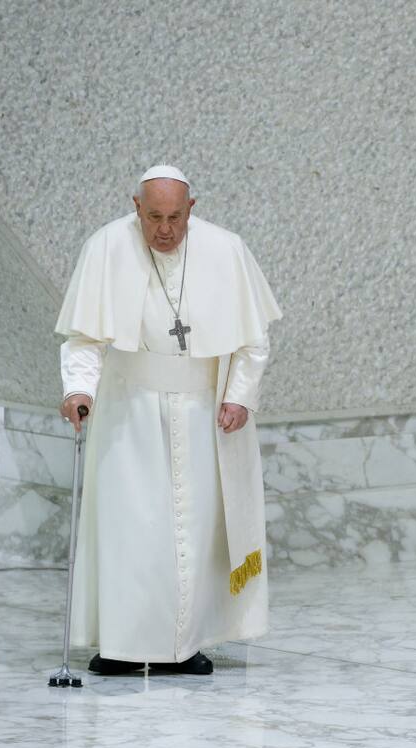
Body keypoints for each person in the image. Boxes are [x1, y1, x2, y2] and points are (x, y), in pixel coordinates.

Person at [56, 164, 281, 675]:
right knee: (132, 528)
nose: (164, 229)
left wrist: (240, 397)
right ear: (136, 207)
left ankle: (187, 645)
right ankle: (122, 645)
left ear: (191, 209)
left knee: (197, 530)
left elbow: (252, 341)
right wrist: (77, 390)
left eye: (175, 217)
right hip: (129, 409)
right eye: (153, 216)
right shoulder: (106, 247)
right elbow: (85, 338)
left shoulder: (226, 250)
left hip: (205, 412)